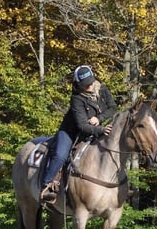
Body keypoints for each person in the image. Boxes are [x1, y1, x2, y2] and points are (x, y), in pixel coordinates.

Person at [40, 64, 118, 203]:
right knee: (60, 156)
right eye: (85, 84)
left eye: (90, 82)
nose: (90, 86)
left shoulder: (102, 89)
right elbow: (82, 126)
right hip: (71, 132)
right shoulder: (76, 98)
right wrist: (100, 129)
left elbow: (113, 108)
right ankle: (46, 185)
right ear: (78, 84)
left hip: (94, 130)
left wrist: (99, 119)